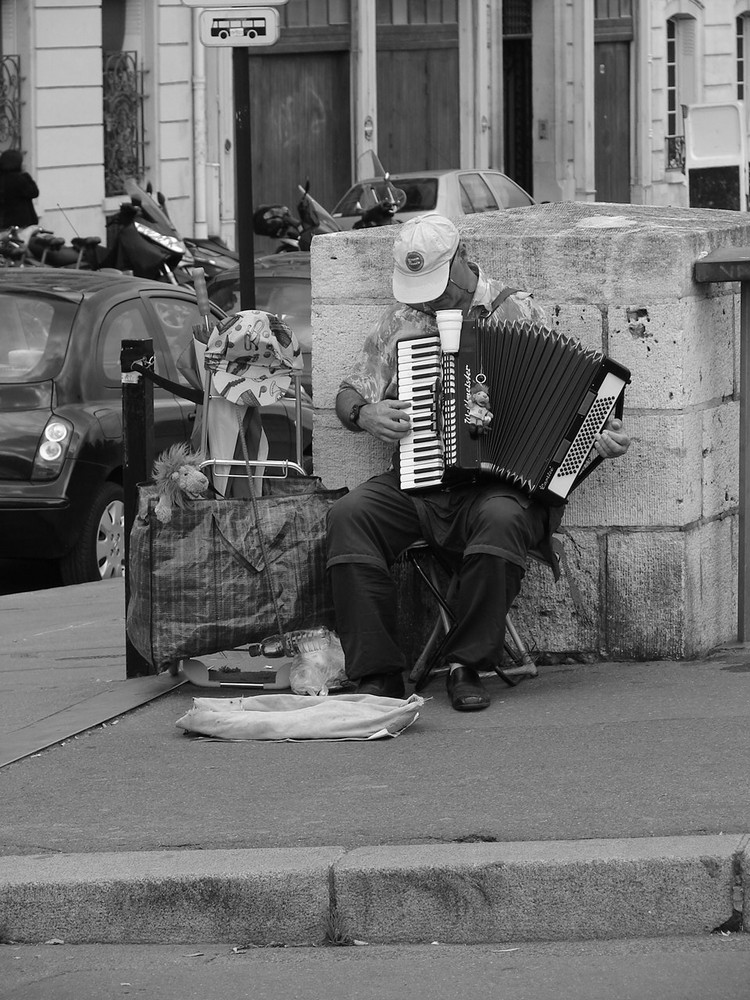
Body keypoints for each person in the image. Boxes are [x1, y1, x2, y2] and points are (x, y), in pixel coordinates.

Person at [326, 213, 631, 711]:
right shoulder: (400, 319)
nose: (428, 300)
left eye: (437, 287)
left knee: (504, 517)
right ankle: (378, 674)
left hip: (498, 489)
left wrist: (597, 435)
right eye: (418, 289)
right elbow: (348, 392)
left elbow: (562, 404)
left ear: (463, 257)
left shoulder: (515, 313)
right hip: (422, 479)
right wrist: (366, 413)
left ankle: (468, 664)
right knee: (349, 515)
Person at [0, 149, 39, 229]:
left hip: (4, 222)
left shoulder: (3, 177)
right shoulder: (19, 179)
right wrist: (25, 174)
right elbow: (34, 192)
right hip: (21, 223)